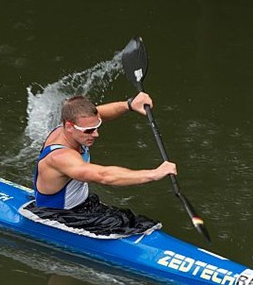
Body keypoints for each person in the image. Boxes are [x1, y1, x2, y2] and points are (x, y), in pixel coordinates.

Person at [25, 93, 177, 237]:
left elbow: (100, 113)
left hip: (81, 206)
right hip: (59, 216)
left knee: (127, 218)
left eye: (96, 127)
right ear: (69, 126)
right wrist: (153, 174)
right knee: (125, 223)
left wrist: (129, 104)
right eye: (90, 131)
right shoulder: (61, 157)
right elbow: (104, 176)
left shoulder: (75, 127)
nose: (96, 134)